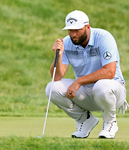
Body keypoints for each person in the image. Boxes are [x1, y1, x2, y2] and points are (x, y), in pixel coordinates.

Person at [45, 10, 128, 139]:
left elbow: (110, 72)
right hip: (87, 93)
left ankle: (110, 123)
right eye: (70, 30)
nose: (73, 34)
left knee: (102, 85)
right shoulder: (67, 42)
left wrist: (79, 81)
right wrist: (58, 56)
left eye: (77, 30)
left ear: (87, 27)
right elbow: (56, 77)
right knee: (52, 87)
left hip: (112, 91)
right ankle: (85, 120)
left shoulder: (104, 37)